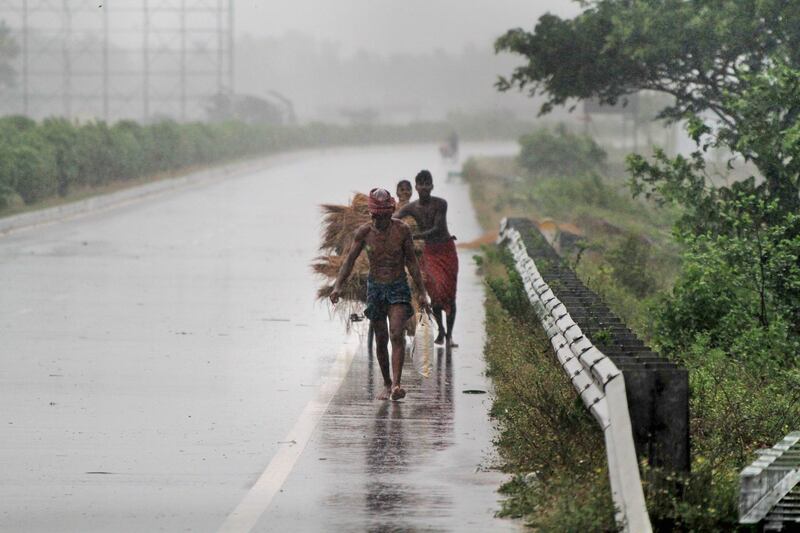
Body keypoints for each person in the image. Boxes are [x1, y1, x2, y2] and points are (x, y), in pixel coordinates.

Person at [330, 188, 430, 401]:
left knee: (396, 334)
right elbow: (349, 261)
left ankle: (396, 384)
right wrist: (338, 286)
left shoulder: (402, 231)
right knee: (381, 338)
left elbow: (411, 261)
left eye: (385, 216)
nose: (380, 220)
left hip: (398, 286)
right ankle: (386, 383)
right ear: (371, 214)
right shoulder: (364, 233)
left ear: (390, 213)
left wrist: (422, 292)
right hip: (375, 288)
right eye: (377, 216)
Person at [395, 170, 459, 347]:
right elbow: (396, 218)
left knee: (450, 293)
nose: (424, 187)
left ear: (432, 186)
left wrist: (412, 237)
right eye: (420, 184)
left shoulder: (441, 204)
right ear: (416, 187)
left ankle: (450, 336)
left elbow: (437, 228)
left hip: (446, 250)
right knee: (435, 291)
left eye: (427, 184)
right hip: (429, 252)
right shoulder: (412, 207)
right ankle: (441, 330)